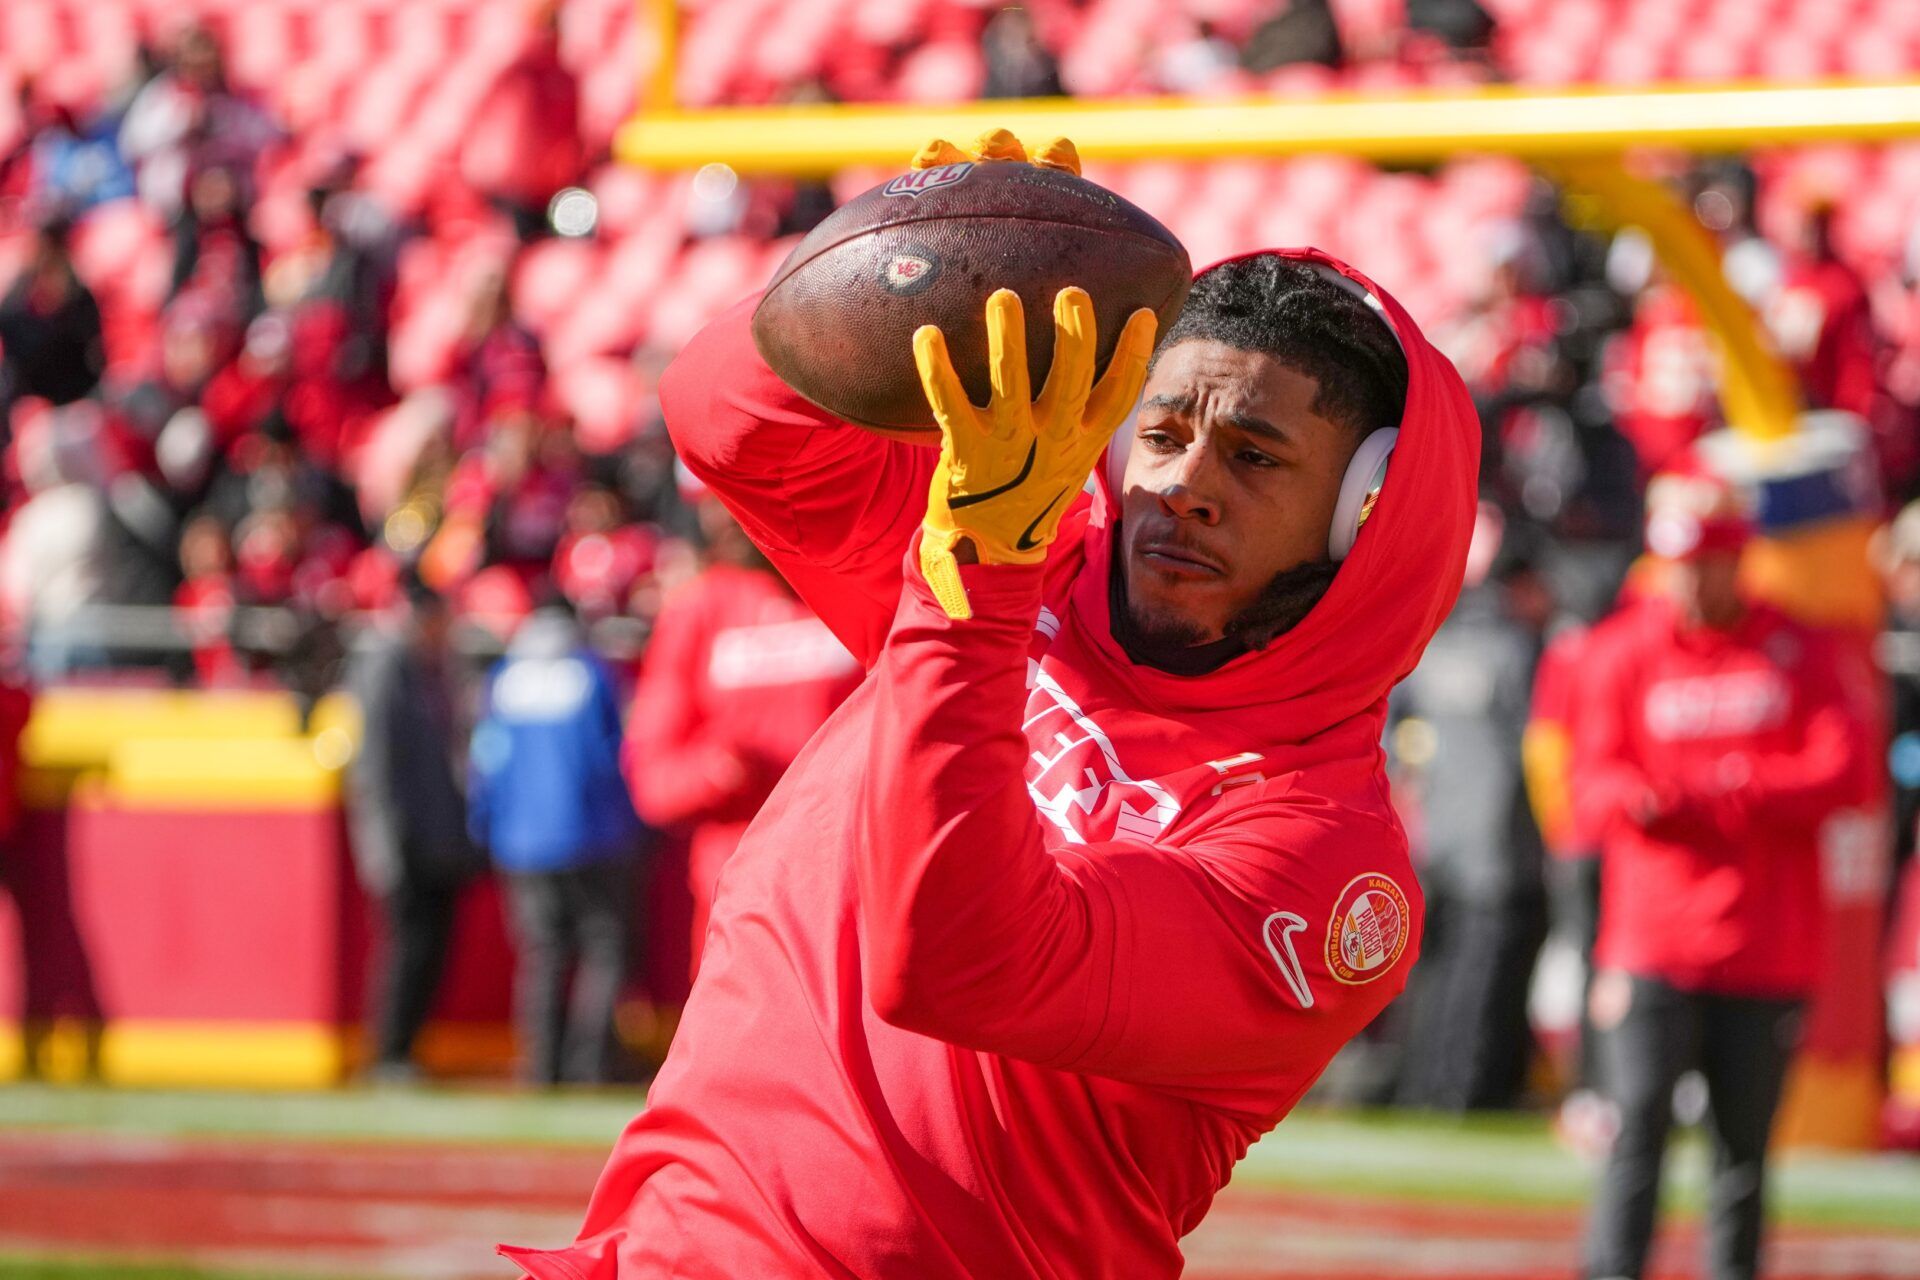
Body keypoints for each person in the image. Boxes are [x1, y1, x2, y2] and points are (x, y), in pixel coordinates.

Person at [501, 130, 1479, 1280]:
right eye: (1159, 433)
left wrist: (976, 574)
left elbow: (958, 960)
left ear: (1362, 521)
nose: (1183, 486)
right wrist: (921, 251)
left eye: (1255, 457)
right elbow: (723, 415)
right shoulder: (1033, 541)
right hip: (676, 1248)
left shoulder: (1331, 862)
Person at [1571, 466, 1875, 1280]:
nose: (1693, 581)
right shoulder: (1621, 651)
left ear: (1739, 557)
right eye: (1680, 563)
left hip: (1766, 946)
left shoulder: (1798, 649)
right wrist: (1646, 797)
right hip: (1652, 944)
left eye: (1707, 561)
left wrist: (1727, 788)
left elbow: (1846, 775)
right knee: (1636, 1133)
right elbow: (1591, 789)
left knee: (1743, 1153)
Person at [623, 488, 860, 978]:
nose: (722, 514)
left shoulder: (859, 583)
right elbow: (652, 781)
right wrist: (717, 769)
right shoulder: (697, 609)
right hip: (740, 900)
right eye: (709, 499)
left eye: (738, 490)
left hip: (856, 886)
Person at [1392, 505, 1552, 1112]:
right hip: (1504, 849)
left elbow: (1390, 732)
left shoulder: (1433, 645)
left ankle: (1420, 1089)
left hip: (1436, 842)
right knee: (1487, 982)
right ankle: (1470, 1094)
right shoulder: (1519, 653)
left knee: (1429, 981)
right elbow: (1537, 751)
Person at [469, 604, 645, 1086]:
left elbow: (486, 761)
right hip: (595, 836)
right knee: (605, 948)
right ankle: (591, 1065)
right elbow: (615, 756)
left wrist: (485, 827)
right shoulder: (591, 674)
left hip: (522, 843)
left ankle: (541, 1065)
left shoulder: (503, 678)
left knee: (542, 953)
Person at [344, 578, 478, 1082]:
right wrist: (385, 845)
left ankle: (405, 1050)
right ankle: (390, 1054)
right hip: (406, 842)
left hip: (436, 840)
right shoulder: (388, 667)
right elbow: (376, 765)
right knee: (407, 950)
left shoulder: (436, 669)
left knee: (429, 951)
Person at [0, 215, 104, 416]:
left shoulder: (79, 294)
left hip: (79, 397)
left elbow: (92, 352)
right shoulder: (20, 294)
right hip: (32, 399)